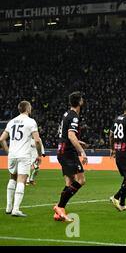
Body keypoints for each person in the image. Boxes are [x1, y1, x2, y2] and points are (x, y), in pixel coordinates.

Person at [0, 101, 43, 217]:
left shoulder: (11, 121)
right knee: (21, 180)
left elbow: (1, 139)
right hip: (24, 155)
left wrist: (8, 151)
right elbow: (37, 140)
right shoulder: (31, 122)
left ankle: (8, 207)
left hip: (12, 154)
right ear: (27, 109)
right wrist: (39, 155)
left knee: (12, 178)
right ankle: (16, 209)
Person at [53, 92, 88, 222]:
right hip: (68, 152)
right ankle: (59, 207)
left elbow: (64, 134)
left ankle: (59, 213)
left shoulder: (66, 114)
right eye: (82, 99)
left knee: (69, 182)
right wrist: (82, 152)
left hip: (61, 150)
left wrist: (79, 142)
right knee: (81, 180)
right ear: (79, 102)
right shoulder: (74, 116)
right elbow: (71, 136)